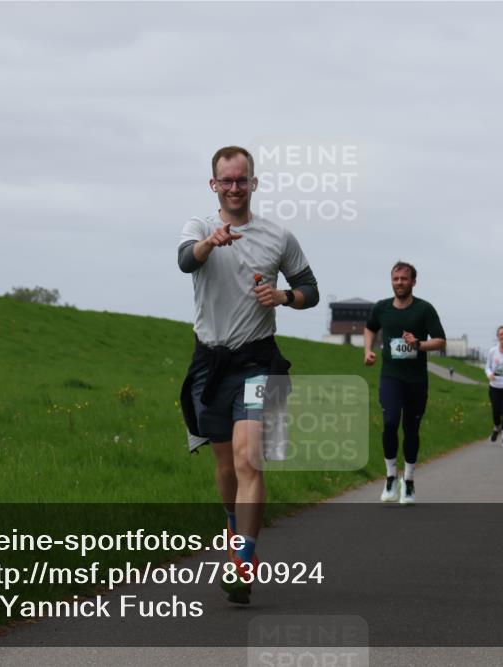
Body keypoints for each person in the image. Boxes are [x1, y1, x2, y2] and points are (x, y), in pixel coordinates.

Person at [178, 145, 319, 604]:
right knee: (225, 466)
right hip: (211, 363)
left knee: (247, 458)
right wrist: (209, 244)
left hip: (257, 362)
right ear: (214, 184)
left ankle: (243, 560)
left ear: (254, 183)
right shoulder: (199, 227)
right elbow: (185, 260)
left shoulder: (278, 236)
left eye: (242, 180)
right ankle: (234, 527)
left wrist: (284, 297)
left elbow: (310, 289)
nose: (235, 187)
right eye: (227, 180)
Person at [364, 261, 446, 505]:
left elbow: (440, 340)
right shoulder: (381, 308)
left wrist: (418, 344)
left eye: (404, 279)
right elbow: (370, 328)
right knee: (390, 423)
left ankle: (408, 481)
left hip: (416, 380)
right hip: (391, 376)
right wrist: (367, 350)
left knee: (411, 429)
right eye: (395, 278)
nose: (399, 282)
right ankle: (391, 477)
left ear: (413, 282)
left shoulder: (424, 309)